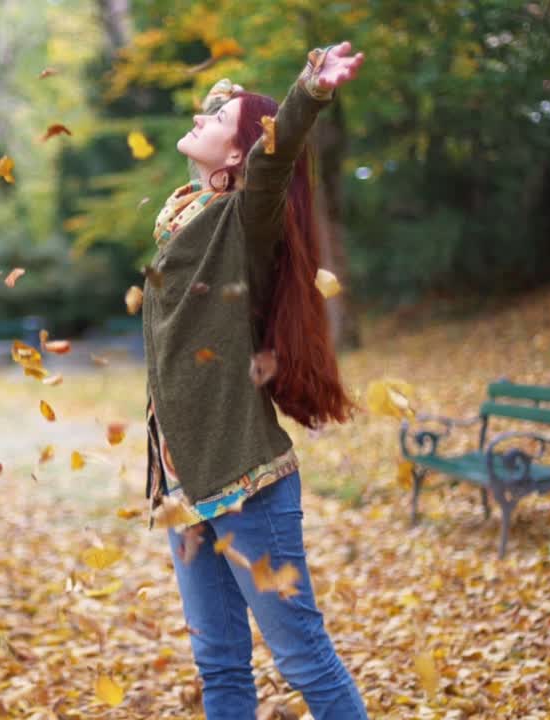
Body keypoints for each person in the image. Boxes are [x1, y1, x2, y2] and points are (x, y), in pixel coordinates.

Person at [142, 42, 368, 719]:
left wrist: (308, 92)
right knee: (218, 664)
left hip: (247, 483)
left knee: (301, 657)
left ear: (239, 155)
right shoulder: (184, 221)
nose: (205, 116)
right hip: (185, 486)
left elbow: (276, 161)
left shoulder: (244, 219)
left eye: (222, 119)